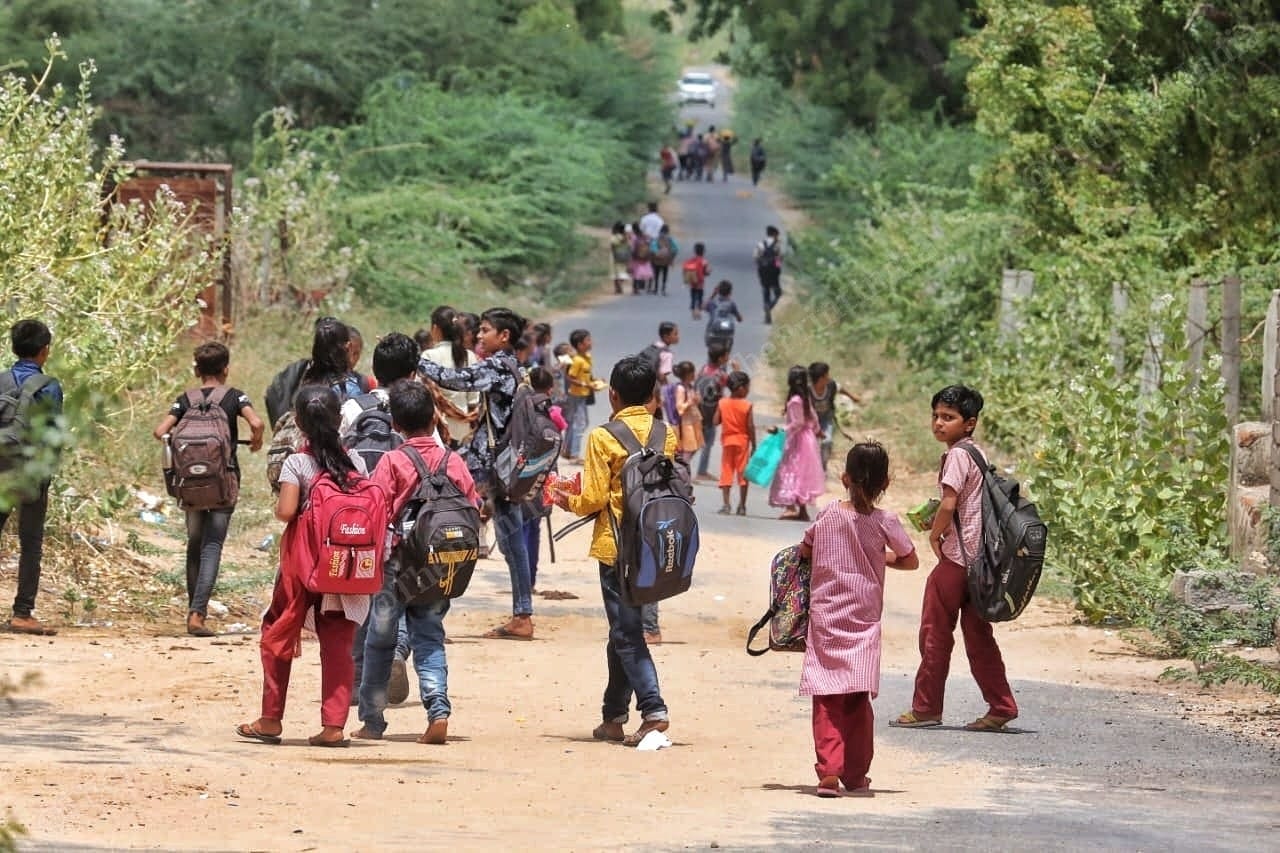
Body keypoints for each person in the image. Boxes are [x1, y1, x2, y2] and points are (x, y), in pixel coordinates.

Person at [235, 385, 370, 748]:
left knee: (278, 632)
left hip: (303, 565)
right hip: (344, 567)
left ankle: (270, 719)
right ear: (340, 419)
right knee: (338, 644)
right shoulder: (355, 461)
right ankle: (333, 726)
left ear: (297, 422)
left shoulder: (298, 462)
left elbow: (285, 512)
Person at [553, 355, 673, 747]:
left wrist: (561, 498)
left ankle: (653, 709)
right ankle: (613, 716)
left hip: (617, 550)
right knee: (623, 631)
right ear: (653, 396)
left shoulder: (603, 437)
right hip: (657, 547)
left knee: (626, 632)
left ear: (614, 397)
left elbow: (593, 499)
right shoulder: (665, 434)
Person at [354, 380, 480, 745]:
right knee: (429, 637)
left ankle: (373, 720)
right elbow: (473, 509)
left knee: (379, 642)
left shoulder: (393, 461)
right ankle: (437, 708)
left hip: (395, 568)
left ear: (396, 423)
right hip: (438, 567)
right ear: (434, 418)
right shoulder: (453, 461)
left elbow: (375, 513)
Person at [891, 385, 1019, 732]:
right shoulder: (977, 453)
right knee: (979, 638)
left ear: (970, 423)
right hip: (981, 565)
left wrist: (935, 535)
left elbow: (949, 503)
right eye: (935, 416)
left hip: (956, 562)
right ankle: (1001, 706)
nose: (938, 423)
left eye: (948, 418)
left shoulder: (957, 456)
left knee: (934, 635)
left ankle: (926, 707)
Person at [799, 441, 919, 797]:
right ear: (886, 484)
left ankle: (828, 772)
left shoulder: (827, 515)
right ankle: (855, 774)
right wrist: (878, 558)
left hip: (826, 621)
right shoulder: (886, 522)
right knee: (856, 700)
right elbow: (910, 560)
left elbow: (805, 549)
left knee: (826, 698)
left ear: (844, 478)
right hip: (864, 623)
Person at [417, 308, 538, 640]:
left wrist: (418, 360)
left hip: (492, 466)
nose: (479, 336)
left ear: (504, 337)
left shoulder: (498, 366)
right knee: (512, 540)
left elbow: (459, 380)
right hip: (506, 464)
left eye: (485, 330)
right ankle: (522, 613)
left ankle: (429, 610)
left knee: (446, 520)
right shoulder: (517, 367)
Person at [152, 342, 265, 637]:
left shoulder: (184, 399)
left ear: (197, 370)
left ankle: (194, 609)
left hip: (189, 484)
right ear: (226, 368)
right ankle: (197, 613)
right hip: (223, 481)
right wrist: (256, 440)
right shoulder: (234, 396)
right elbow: (257, 421)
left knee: (194, 542)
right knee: (212, 545)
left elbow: (159, 431)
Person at [338, 332, 421, 706]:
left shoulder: (354, 406)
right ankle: (396, 655)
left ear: (374, 371)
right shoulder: (421, 408)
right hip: (407, 519)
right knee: (397, 595)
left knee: (359, 594)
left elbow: (337, 456)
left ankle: (358, 677)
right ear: (415, 372)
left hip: (362, 518)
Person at [0, 320, 64, 635]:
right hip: (30, 473)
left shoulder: (0, 381)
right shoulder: (48, 385)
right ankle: (22, 613)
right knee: (30, 542)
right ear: (44, 351)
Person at [523, 366, 566, 593]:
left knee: (520, 527)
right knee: (535, 527)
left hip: (522, 474)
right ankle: (530, 579)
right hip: (546, 474)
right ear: (550, 389)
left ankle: (521, 580)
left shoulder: (521, 408)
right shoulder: (555, 413)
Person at [770, 366, 826, 522]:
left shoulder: (795, 400)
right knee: (801, 473)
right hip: (807, 439)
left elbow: (798, 422)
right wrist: (817, 430)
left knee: (790, 470)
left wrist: (780, 430)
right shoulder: (805, 398)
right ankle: (801, 510)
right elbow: (813, 417)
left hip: (797, 440)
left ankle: (792, 507)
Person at [420, 306, 480, 447]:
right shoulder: (470, 357)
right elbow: (473, 400)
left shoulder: (429, 356)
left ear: (435, 328)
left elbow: (422, 395)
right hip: (463, 431)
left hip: (438, 430)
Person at [714, 371, 755, 516]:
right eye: (748, 387)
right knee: (743, 474)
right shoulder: (747, 405)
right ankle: (742, 506)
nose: (748, 390)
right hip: (742, 442)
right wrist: (754, 444)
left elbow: (715, 421)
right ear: (741, 388)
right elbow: (750, 426)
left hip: (727, 441)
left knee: (726, 471)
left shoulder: (722, 402)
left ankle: (726, 505)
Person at [809, 362, 862, 471]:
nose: (829, 377)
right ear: (821, 377)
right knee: (809, 444)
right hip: (811, 421)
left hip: (826, 419)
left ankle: (822, 468)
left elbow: (841, 388)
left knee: (827, 441)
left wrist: (853, 397)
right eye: (827, 374)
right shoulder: (808, 389)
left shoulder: (831, 385)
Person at [694, 344, 733, 481]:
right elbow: (733, 385)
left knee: (699, 440)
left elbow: (696, 387)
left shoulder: (703, 370)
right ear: (721, 358)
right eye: (726, 356)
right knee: (706, 441)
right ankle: (700, 471)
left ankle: (699, 469)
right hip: (712, 412)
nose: (728, 358)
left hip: (700, 410)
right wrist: (737, 371)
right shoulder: (720, 374)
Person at [562, 329, 597, 464]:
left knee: (579, 423)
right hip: (576, 396)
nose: (591, 342)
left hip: (583, 395)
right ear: (580, 344)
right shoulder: (577, 360)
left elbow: (587, 375)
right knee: (580, 424)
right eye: (588, 340)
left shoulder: (587, 357)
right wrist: (585, 384)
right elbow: (570, 377)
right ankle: (574, 455)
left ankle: (568, 450)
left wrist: (594, 382)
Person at [672, 361, 703, 467]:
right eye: (692, 373)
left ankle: (682, 469)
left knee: (695, 446)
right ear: (687, 374)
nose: (694, 374)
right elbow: (679, 407)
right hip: (686, 424)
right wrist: (690, 402)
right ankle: (682, 471)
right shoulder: (680, 389)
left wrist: (697, 399)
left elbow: (695, 402)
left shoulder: (690, 386)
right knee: (688, 450)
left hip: (694, 421)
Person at [755, 225, 785, 324]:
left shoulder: (760, 244)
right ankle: (770, 307)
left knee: (765, 290)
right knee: (778, 293)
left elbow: (755, 257)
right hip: (773, 271)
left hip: (763, 270)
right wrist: (777, 267)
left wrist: (761, 266)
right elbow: (780, 258)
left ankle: (766, 309)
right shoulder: (777, 245)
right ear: (774, 234)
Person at [704, 280, 743, 353]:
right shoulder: (731, 303)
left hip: (713, 333)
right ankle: (725, 359)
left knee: (711, 352)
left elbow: (703, 307)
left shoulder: (712, 302)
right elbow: (740, 319)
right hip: (727, 335)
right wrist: (739, 318)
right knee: (726, 352)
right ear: (730, 292)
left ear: (718, 291)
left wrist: (713, 294)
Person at [681, 242, 711, 321]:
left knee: (693, 298)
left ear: (695, 251)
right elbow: (707, 272)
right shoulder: (704, 261)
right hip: (700, 283)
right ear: (703, 251)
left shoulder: (691, 260)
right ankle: (698, 313)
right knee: (700, 298)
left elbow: (685, 269)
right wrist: (709, 272)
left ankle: (693, 313)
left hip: (692, 282)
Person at [651, 225, 679, 296]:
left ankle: (656, 289)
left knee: (656, 274)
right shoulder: (669, 239)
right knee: (664, 274)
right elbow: (675, 248)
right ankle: (663, 289)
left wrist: (657, 253)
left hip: (657, 259)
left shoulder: (656, 238)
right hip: (666, 260)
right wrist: (671, 256)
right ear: (667, 231)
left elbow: (652, 248)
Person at [629, 222, 655, 295]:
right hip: (645, 257)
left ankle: (635, 289)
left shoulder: (634, 237)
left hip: (636, 257)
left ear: (633, 229)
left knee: (635, 273)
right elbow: (650, 242)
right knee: (645, 271)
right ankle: (645, 286)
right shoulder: (644, 236)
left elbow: (632, 247)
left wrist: (632, 254)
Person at [609, 222, 632, 295]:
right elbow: (629, 247)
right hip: (624, 256)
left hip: (614, 256)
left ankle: (617, 288)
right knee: (622, 272)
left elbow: (612, 247)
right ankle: (620, 285)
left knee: (615, 273)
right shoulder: (625, 237)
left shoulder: (613, 237)